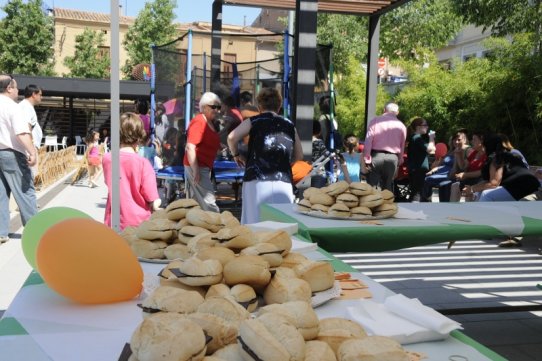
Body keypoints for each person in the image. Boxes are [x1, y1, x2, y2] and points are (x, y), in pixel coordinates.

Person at [227, 87, 303, 224]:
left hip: (256, 179)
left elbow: (231, 138)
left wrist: (236, 154)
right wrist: (284, 164)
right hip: (283, 182)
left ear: (259, 106)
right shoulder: (289, 125)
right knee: (282, 225)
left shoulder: (254, 121)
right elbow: (299, 154)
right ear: (279, 106)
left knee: (254, 223)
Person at [103, 112, 161, 230]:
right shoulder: (143, 163)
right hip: (139, 225)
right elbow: (152, 199)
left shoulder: (107, 159)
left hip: (114, 222)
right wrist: (158, 204)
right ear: (139, 134)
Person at [0, 74, 38, 244]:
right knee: (25, 192)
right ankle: (34, 233)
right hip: (12, 153)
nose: (17, 90)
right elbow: (21, 133)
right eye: (15, 87)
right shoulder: (13, 107)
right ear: (9, 88)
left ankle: (2, 232)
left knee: (1, 195)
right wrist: (32, 152)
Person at [464, 133, 539, 202]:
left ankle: (482, 216)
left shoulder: (497, 158)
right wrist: (473, 188)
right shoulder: (509, 155)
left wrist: (471, 189)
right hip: (527, 185)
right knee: (480, 192)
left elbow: (494, 183)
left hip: (525, 187)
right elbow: (490, 182)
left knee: (486, 195)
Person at [183, 92, 222, 212]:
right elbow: (190, 147)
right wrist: (196, 170)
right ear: (204, 107)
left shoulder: (208, 121)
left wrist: (219, 145)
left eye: (218, 107)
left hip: (203, 167)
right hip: (197, 166)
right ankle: (219, 226)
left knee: (198, 205)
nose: (217, 110)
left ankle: (201, 228)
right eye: (214, 107)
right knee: (209, 202)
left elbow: (206, 140)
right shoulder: (199, 121)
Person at [362, 102, 407, 192]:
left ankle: (374, 205)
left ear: (384, 110)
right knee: (387, 188)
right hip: (392, 158)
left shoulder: (375, 121)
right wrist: (399, 160)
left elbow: (368, 140)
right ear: (397, 112)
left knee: (373, 188)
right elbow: (402, 145)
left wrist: (367, 158)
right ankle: (387, 204)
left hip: (376, 156)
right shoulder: (402, 126)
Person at [440, 131, 486, 202]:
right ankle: (451, 210)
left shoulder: (486, 155)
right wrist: (458, 155)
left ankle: (468, 211)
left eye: (474, 139)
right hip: (470, 179)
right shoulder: (474, 153)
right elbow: (463, 167)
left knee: (466, 190)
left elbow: (482, 172)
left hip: (480, 180)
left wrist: (464, 175)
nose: (472, 141)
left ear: (482, 141)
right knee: (454, 185)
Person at [406, 117, 436, 202]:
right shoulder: (417, 138)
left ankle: (413, 211)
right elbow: (430, 150)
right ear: (418, 127)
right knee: (417, 193)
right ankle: (414, 211)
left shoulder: (416, 138)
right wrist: (431, 138)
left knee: (417, 192)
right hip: (418, 170)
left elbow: (432, 150)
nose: (427, 127)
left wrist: (432, 139)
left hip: (416, 169)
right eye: (425, 125)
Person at [18, 84, 43, 178]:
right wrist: (31, 150)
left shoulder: (27, 106)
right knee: (29, 179)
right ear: (33, 94)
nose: (41, 97)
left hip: (28, 148)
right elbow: (26, 128)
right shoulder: (26, 107)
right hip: (28, 149)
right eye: (40, 95)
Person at [311, 120, 328, 188]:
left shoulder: (303, 142)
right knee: (318, 195)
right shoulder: (319, 142)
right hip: (318, 171)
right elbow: (326, 154)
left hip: (305, 171)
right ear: (319, 131)